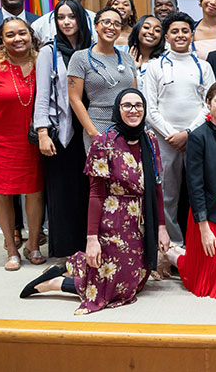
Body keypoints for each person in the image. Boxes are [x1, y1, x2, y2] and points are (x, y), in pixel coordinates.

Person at [19, 89, 170, 314]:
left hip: (140, 221)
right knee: (116, 288)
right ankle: (55, 283)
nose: (133, 110)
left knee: (136, 281)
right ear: (117, 110)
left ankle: (73, 265)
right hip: (113, 220)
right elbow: (96, 195)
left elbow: (156, 186)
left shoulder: (150, 140)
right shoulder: (104, 142)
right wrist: (92, 239)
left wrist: (161, 227)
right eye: (127, 105)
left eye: (138, 105)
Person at [162, 82, 216, 297]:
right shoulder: (198, 136)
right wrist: (204, 226)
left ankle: (175, 253)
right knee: (209, 279)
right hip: (209, 209)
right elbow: (195, 185)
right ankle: (173, 255)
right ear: (208, 103)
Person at [144, 12, 215, 243]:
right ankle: (172, 244)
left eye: (185, 31)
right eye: (174, 31)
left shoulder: (203, 66)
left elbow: (210, 104)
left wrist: (188, 133)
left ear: (192, 35)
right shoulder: (155, 66)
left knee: (200, 191)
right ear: (166, 37)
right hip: (165, 140)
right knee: (167, 194)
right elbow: (150, 108)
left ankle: (201, 244)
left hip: (197, 138)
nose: (180, 35)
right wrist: (172, 135)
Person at [34, 0, 91, 258]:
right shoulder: (49, 51)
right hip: (62, 132)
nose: (66, 22)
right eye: (61, 17)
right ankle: (66, 250)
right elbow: (42, 95)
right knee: (63, 192)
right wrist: (42, 133)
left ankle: (88, 247)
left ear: (81, 19)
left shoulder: (92, 49)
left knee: (87, 191)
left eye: (71, 16)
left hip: (90, 128)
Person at [0, 17, 44, 270]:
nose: (18, 38)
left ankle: (33, 244)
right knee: (2, 193)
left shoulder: (42, 62)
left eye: (22, 33)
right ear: (2, 39)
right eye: (10, 35)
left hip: (34, 140)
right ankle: (11, 248)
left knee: (35, 191)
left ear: (31, 35)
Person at [68, 7, 137, 149]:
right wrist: (93, 133)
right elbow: (74, 99)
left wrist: (134, 128)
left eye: (117, 24)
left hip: (127, 126)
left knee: (129, 164)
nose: (111, 27)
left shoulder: (127, 59)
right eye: (106, 22)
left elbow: (134, 96)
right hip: (98, 125)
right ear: (96, 26)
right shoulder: (80, 58)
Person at [127, 15, 165, 91]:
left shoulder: (164, 62)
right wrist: (132, 69)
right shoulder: (124, 58)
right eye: (146, 27)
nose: (151, 32)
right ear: (137, 30)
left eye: (157, 30)